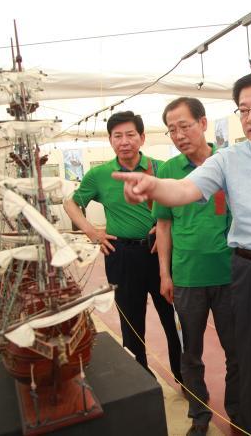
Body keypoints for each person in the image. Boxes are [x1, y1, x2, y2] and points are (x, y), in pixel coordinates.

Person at [113, 71, 251, 436]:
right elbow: (183, 190)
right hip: (249, 272)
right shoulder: (229, 161)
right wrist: (153, 186)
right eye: (243, 110)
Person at [63, 111, 182, 382]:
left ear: (141, 137)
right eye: (118, 136)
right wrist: (92, 232)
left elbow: (179, 206)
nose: (124, 141)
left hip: (159, 252)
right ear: (110, 140)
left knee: (172, 319)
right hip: (121, 256)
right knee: (131, 321)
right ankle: (140, 377)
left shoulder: (160, 168)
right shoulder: (100, 175)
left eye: (130, 135)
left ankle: (182, 374)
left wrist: (166, 226)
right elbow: (71, 203)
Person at [152, 97, 239, 436]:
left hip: (229, 275)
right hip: (187, 277)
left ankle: (237, 410)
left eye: (184, 126)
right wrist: (164, 273)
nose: (178, 135)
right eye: (172, 129)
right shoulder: (168, 171)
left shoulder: (229, 162)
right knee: (191, 352)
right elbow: (163, 225)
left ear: (203, 124)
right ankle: (199, 416)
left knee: (237, 352)